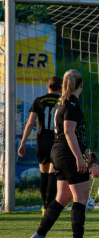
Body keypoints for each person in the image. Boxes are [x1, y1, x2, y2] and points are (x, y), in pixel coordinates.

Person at [29, 69, 94, 238]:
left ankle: (39, 235)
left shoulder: (60, 102)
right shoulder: (72, 103)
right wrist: (79, 158)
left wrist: (84, 150)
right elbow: (69, 131)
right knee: (80, 198)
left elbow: (73, 133)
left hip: (57, 152)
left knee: (62, 197)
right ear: (80, 84)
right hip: (67, 153)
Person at [18, 76, 62, 214]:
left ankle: (44, 205)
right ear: (61, 87)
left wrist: (23, 142)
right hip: (57, 141)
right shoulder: (62, 101)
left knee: (44, 174)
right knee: (53, 174)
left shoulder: (39, 101)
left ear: (47, 86)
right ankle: (50, 206)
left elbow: (30, 123)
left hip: (42, 141)